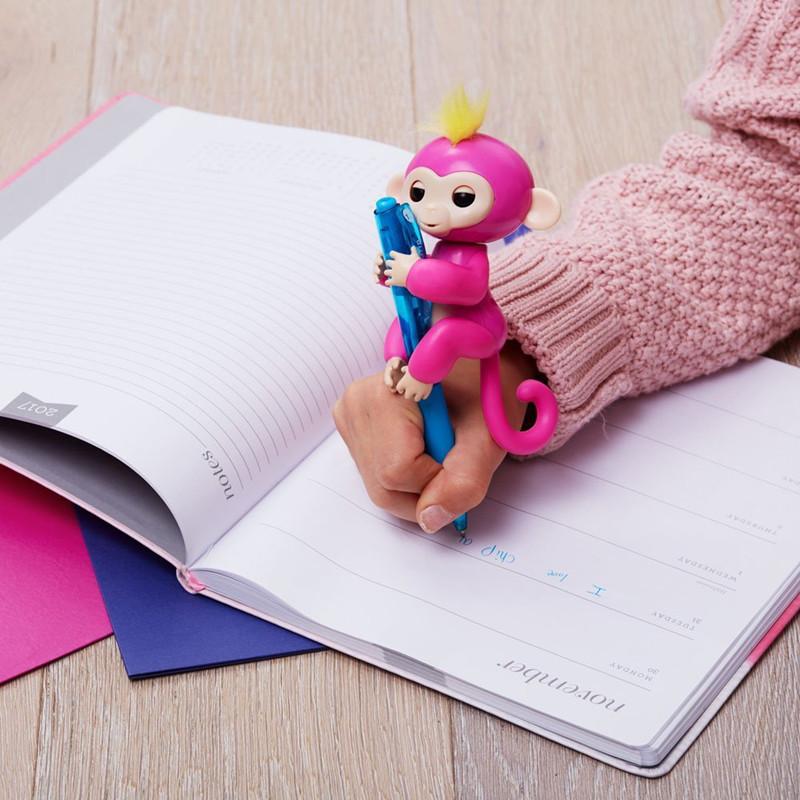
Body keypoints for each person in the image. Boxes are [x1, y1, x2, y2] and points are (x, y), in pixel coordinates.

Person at [333, 0, 800, 534]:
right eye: (421, 194)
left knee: (435, 336)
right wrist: (531, 341)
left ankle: (417, 370)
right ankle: (407, 365)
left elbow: (458, 282)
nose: (436, 209)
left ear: (532, 209)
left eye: (462, 197)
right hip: (487, 342)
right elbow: (770, 183)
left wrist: (412, 277)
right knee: (407, 332)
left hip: (472, 332)